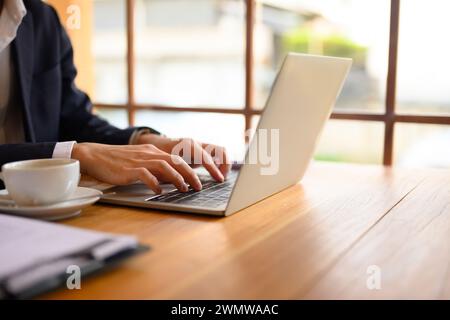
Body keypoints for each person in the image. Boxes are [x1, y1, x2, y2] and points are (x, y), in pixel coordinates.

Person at [0, 0, 230, 193]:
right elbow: (80, 148)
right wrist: (77, 154)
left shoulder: (41, 18)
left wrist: (145, 142)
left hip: (43, 206)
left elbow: (73, 118)